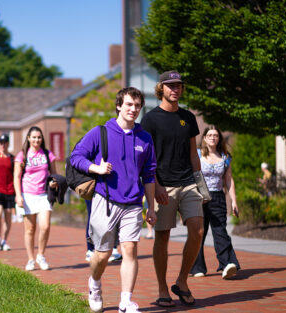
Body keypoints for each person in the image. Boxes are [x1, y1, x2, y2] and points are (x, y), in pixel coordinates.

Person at [71, 87, 157, 313]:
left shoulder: (145, 138)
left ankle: (126, 302)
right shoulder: (101, 132)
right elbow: (76, 157)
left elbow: (149, 174)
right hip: (105, 201)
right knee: (103, 253)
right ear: (119, 105)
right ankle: (95, 283)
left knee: (130, 249)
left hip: (132, 204)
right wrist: (96, 167)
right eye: (129, 104)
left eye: (137, 105)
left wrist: (151, 207)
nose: (133, 109)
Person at [141, 70, 204, 307]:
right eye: (170, 86)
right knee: (162, 237)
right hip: (163, 185)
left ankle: (182, 281)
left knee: (197, 231)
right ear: (161, 89)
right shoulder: (150, 119)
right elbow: (146, 159)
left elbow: (193, 155)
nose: (174, 89)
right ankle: (162, 289)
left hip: (188, 183)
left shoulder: (188, 117)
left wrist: (202, 187)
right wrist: (155, 187)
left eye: (178, 85)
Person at [190, 126, 240, 279]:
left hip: (218, 197)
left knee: (220, 231)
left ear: (219, 138)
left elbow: (228, 179)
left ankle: (227, 265)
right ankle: (197, 267)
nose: (213, 137)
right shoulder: (197, 155)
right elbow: (191, 175)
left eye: (216, 135)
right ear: (204, 138)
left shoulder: (225, 156)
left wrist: (234, 201)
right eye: (210, 135)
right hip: (200, 197)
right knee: (199, 233)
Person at [14, 126, 60, 271]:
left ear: (42, 139)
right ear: (28, 138)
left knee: (45, 226)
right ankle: (30, 259)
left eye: (39, 137)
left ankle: (41, 255)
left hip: (43, 195)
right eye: (33, 137)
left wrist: (53, 182)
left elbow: (54, 174)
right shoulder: (22, 155)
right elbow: (16, 177)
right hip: (27, 195)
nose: (36, 140)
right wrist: (18, 195)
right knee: (30, 229)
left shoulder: (47, 154)